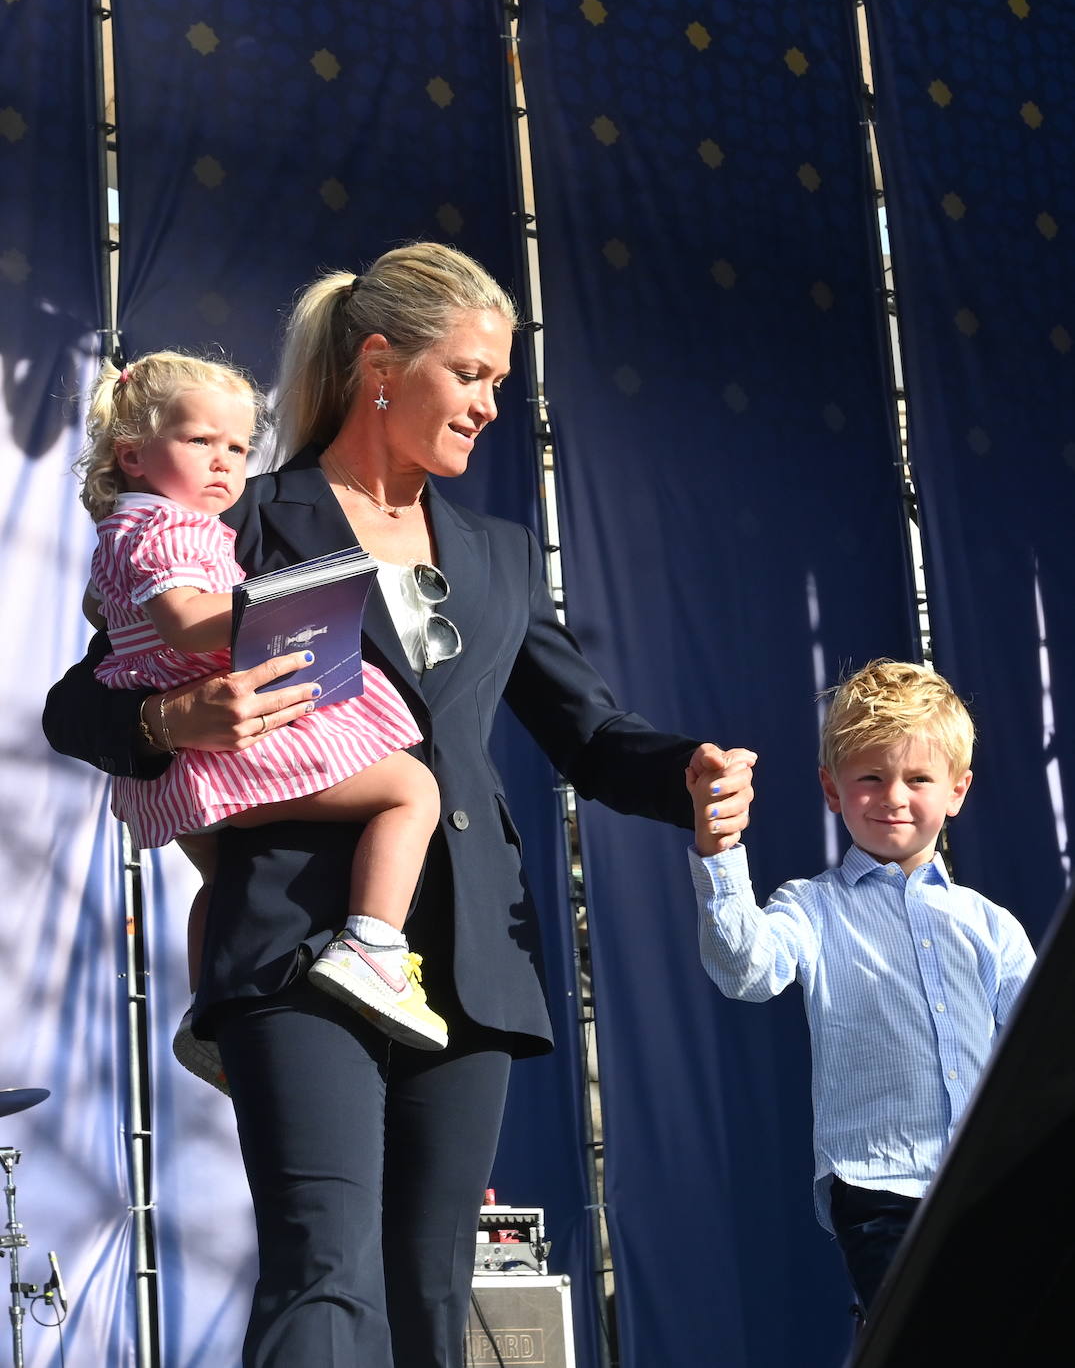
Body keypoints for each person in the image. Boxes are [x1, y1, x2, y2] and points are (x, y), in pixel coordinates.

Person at [43, 241, 756, 1367]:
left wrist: (691, 775)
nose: (487, 405)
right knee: (326, 1271)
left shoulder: (504, 555)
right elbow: (80, 702)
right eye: (469, 374)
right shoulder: (238, 514)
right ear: (381, 363)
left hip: (467, 959)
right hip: (293, 938)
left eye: (498, 386)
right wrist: (175, 724)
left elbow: (592, 734)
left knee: (430, 1295)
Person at [78, 350, 449, 1069]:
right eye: (200, 442)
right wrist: (285, 601)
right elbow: (186, 623)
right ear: (132, 456)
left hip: (182, 774)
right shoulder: (174, 531)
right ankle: (374, 945)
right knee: (412, 789)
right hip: (233, 749)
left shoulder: (119, 533)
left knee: (223, 885)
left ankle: (205, 1014)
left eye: (238, 448)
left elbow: (103, 610)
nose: (224, 462)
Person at [687, 659, 1035, 1318]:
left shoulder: (991, 926)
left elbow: (1037, 1058)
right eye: (870, 778)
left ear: (956, 790)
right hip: (881, 1192)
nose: (894, 797)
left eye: (918, 778)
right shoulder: (811, 908)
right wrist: (720, 851)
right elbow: (744, 971)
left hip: (993, 1188)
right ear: (831, 789)